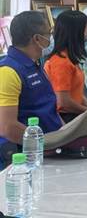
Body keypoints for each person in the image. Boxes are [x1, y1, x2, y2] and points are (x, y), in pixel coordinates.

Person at [0, 11, 62, 168]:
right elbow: (7, 127)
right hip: (28, 155)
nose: (51, 38)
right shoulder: (9, 71)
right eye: (48, 33)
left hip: (51, 149)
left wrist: (65, 134)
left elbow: (49, 109)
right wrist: (48, 142)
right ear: (37, 39)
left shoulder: (35, 64)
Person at [45, 10, 87, 122]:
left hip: (75, 114)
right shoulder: (61, 63)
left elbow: (75, 93)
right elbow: (63, 103)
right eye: (86, 29)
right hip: (65, 119)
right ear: (77, 33)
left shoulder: (69, 58)